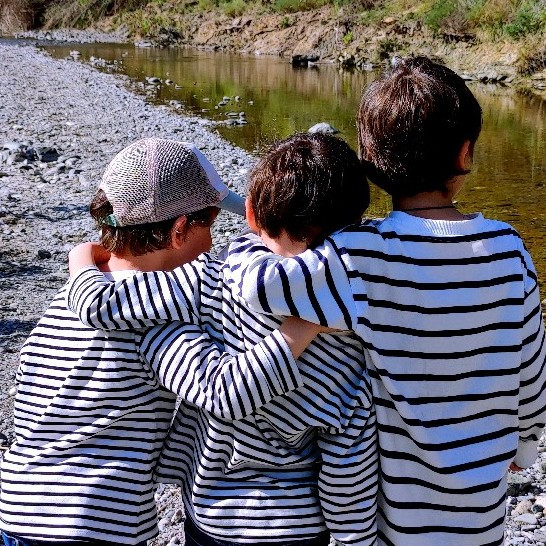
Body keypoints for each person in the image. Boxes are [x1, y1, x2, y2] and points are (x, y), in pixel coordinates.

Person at [202, 57, 546, 546]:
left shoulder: (361, 255)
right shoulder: (510, 249)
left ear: (371, 163)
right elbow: (531, 365)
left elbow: (261, 287)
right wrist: (526, 443)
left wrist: (250, 237)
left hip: (397, 518)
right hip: (481, 514)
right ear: (465, 153)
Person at [0, 138, 322, 546]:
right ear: (179, 229)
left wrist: (81, 256)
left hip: (17, 508)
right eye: (210, 225)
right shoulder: (155, 317)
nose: (213, 244)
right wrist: (305, 325)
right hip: (91, 520)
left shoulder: (69, 297)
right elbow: (226, 391)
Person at [66, 133, 379, 545]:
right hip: (296, 525)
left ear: (250, 214)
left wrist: (82, 258)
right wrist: (357, 538)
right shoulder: (352, 343)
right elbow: (347, 466)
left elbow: (105, 304)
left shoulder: (211, 280)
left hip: (214, 512)